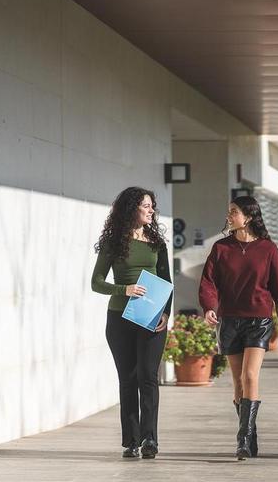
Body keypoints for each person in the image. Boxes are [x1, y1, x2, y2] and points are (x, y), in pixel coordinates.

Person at [199, 196, 278, 460]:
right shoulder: (221, 248)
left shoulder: (268, 249)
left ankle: (242, 439)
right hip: (229, 320)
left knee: (250, 376)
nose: (229, 216)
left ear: (249, 217)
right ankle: (250, 435)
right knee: (238, 381)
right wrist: (209, 306)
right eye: (229, 212)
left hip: (259, 321)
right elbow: (208, 282)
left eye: (233, 212)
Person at [91, 187, 172, 459]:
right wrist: (123, 290)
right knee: (128, 379)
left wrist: (165, 314)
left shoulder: (157, 243)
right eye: (146, 206)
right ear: (131, 209)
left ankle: (150, 439)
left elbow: (166, 281)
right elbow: (96, 282)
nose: (151, 210)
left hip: (151, 317)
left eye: (152, 206)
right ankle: (131, 441)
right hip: (119, 318)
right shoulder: (114, 242)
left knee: (148, 377)